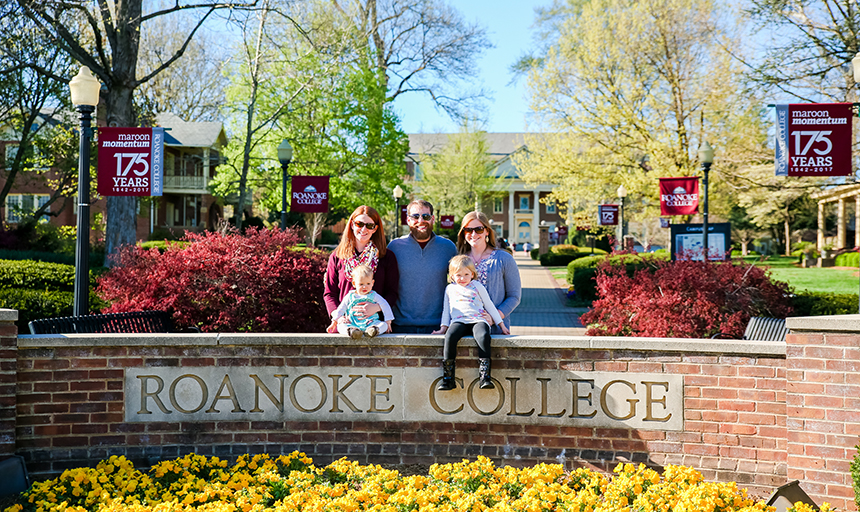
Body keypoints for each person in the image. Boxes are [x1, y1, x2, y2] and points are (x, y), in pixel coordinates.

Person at [432, 255, 508, 390]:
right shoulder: (450, 289)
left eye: (466, 274)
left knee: (483, 336)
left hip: (478, 320)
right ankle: (448, 378)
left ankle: (485, 377)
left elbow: (489, 305)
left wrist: (501, 325)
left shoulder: (477, 286)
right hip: (459, 321)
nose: (463, 278)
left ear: (472, 274)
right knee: (450, 337)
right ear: (452, 276)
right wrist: (443, 328)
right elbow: (446, 310)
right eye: (459, 275)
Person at [324, 206, 398, 333]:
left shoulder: (386, 257)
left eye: (369, 225)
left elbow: (392, 293)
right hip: (346, 325)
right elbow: (330, 294)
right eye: (359, 224)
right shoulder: (337, 256)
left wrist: (377, 307)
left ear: (375, 229)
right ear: (352, 225)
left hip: (374, 327)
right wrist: (338, 317)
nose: (364, 229)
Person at [387, 199, 457, 333]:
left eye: (426, 216)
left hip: (438, 326)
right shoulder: (394, 247)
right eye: (415, 216)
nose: (421, 220)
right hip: (399, 325)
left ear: (433, 219)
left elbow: (460, 284)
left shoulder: (448, 248)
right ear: (408, 220)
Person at [457, 211, 521, 335]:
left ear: (487, 231)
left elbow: (514, 296)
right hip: (462, 330)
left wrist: (494, 318)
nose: (473, 234)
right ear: (463, 233)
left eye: (479, 229)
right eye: (468, 230)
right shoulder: (458, 260)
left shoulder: (504, 258)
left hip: (494, 332)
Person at [329, 265, 394, 339]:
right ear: (354, 283)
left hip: (370, 322)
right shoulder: (350, 296)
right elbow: (341, 308)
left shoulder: (374, 295)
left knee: (383, 325)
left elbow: (385, 305)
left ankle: (373, 330)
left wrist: (388, 321)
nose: (365, 287)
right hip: (352, 322)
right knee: (340, 326)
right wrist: (334, 320)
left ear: (372, 283)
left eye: (368, 284)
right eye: (361, 284)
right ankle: (352, 331)